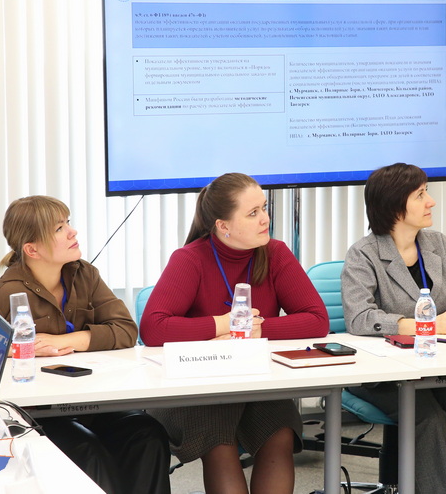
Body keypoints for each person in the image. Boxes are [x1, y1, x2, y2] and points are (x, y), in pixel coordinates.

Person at [0, 196, 171, 494]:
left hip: (93, 400)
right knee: (86, 450)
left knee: (147, 434)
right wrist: (15, 348)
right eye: (60, 228)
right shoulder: (3, 293)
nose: (73, 232)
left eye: (68, 223)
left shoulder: (84, 274)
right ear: (32, 250)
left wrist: (64, 341)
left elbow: (125, 329)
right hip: (38, 411)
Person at [140, 172, 329, 494]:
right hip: (196, 385)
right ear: (223, 225)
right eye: (253, 213)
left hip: (256, 379)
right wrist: (226, 323)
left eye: (264, 208)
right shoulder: (190, 259)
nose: (265, 219)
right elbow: (153, 328)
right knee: (219, 443)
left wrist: (258, 329)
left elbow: (316, 320)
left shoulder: (275, 253)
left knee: (280, 435)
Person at [341, 163, 446, 494]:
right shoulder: (363, 254)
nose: (431, 201)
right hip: (384, 375)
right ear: (394, 205)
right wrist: (426, 325)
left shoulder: (439, 245)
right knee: (428, 420)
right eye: (420, 195)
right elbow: (359, 317)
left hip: (439, 365)